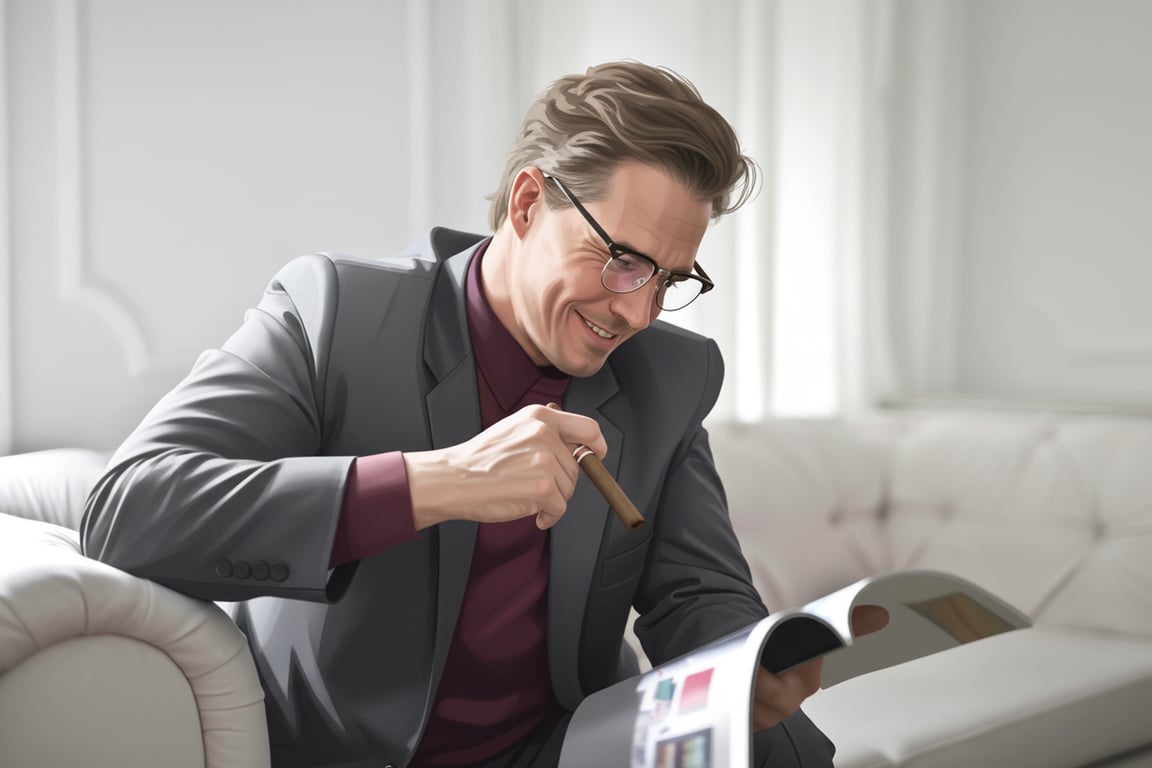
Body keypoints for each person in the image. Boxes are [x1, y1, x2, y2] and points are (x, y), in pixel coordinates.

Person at [81, 61, 868, 767]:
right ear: (528, 202)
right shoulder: (337, 313)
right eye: (623, 261)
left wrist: (750, 667)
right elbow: (129, 509)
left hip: (569, 746)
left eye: (669, 278)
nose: (639, 312)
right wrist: (439, 482)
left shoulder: (671, 372)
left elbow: (696, 593)